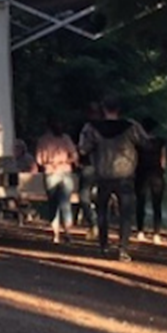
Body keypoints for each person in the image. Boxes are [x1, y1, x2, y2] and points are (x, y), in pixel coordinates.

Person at [78, 95, 152, 262]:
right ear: (119, 109)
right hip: (125, 176)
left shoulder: (92, 128)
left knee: (102, 211)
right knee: (125, 214)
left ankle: (103, 246)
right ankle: (123, 249)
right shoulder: (131, 126)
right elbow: (146, 144)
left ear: (103, 110)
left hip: (103, 175)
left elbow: (83, 149)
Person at [35, 118, 79, 244]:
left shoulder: (43, 140)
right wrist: (65, 162)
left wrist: (50, 163)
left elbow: (39, 160)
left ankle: (55, 234)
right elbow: (74, 155)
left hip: (50, 173)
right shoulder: (66, 138)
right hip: (65, 172)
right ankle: (68, 232)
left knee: (53, 204)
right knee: (65, 203)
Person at [135, 117, 167, 244]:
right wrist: (162, 171)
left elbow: (134, 159)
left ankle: (140, 231)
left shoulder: (138, 142)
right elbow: (163, 159)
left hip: (141, 173)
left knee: (140, 203)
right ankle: (156, 233)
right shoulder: (161, 142)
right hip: (156, 174)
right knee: (157, 204)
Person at [76, 102, 102, 240]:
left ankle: (94, 224)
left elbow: (82, 148)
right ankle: (98, 224)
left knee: (84, 196)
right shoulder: (106, 129)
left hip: (90, 166)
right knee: (99, 197)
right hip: (104, 167)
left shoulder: (87, 128)